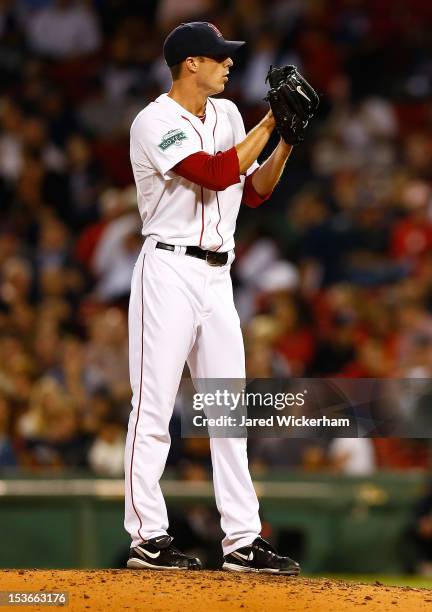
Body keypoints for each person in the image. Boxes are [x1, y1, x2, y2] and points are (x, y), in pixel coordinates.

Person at [124, 21, 301, 574]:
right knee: (153, 408)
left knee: (228, 411)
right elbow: (216, 171)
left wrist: (288, 137)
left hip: (218, 277)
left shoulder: (225, 116)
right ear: (189, 64)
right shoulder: (153, 121)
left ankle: (242, 541)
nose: (229, 64)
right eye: (218, 57)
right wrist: (272, 118)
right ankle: (149, 537)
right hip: (169, 270)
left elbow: (256, 190)